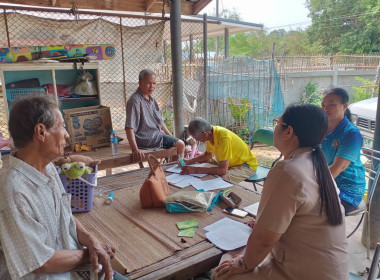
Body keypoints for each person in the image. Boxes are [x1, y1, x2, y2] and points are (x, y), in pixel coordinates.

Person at [214, 104, 348, 280]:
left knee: (224, 267)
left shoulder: (289, 170)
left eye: (277, 122)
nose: (275, 126)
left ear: (288, 131)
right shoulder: (318, 162)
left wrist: (242, 264)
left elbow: (263, 240)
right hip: (328, 270)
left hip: (302, 272)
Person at [0, 96, 115, 280]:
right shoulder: (13, 192)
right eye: (61, 126)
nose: (67, 134)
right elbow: (40, 262)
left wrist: (91, 241)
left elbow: (65, 215)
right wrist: (90, 254)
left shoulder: (48, 168)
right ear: (41, 132)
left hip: (75, 270)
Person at [321, 87, 366, 213]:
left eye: (331, 105)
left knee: (306, 206)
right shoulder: (323, 128)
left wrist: (310, 184)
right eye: (323, 104)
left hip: (348, 190)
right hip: (326, 183)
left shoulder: (351, 134)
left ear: (344, 106)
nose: (325, 108)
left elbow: (337, 169)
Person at [125, 69, 185, 162]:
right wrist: (135, 150)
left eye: (154, 83)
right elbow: (129, 127)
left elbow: (159, 122)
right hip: (146, 139)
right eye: (149, 83)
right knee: (181, 145)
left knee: (177, 143)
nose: (152, 86)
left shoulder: (151, 99)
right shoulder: (135, 101)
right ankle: (178, 168)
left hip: (156, 135)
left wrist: (171, 137)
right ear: (140, 83)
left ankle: (173, 168)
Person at [181, 117, 258, 183]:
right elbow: (207, 155)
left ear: (204, 134)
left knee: (222, 179)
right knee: (202, 161)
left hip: (245, 165)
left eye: (196, 137)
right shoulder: (210, 134)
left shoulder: (223, 138)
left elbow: (223, 170)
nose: (196, 140)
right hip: (228, 162)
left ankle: (221, 197)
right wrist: (189, 161)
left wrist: (195, 170)